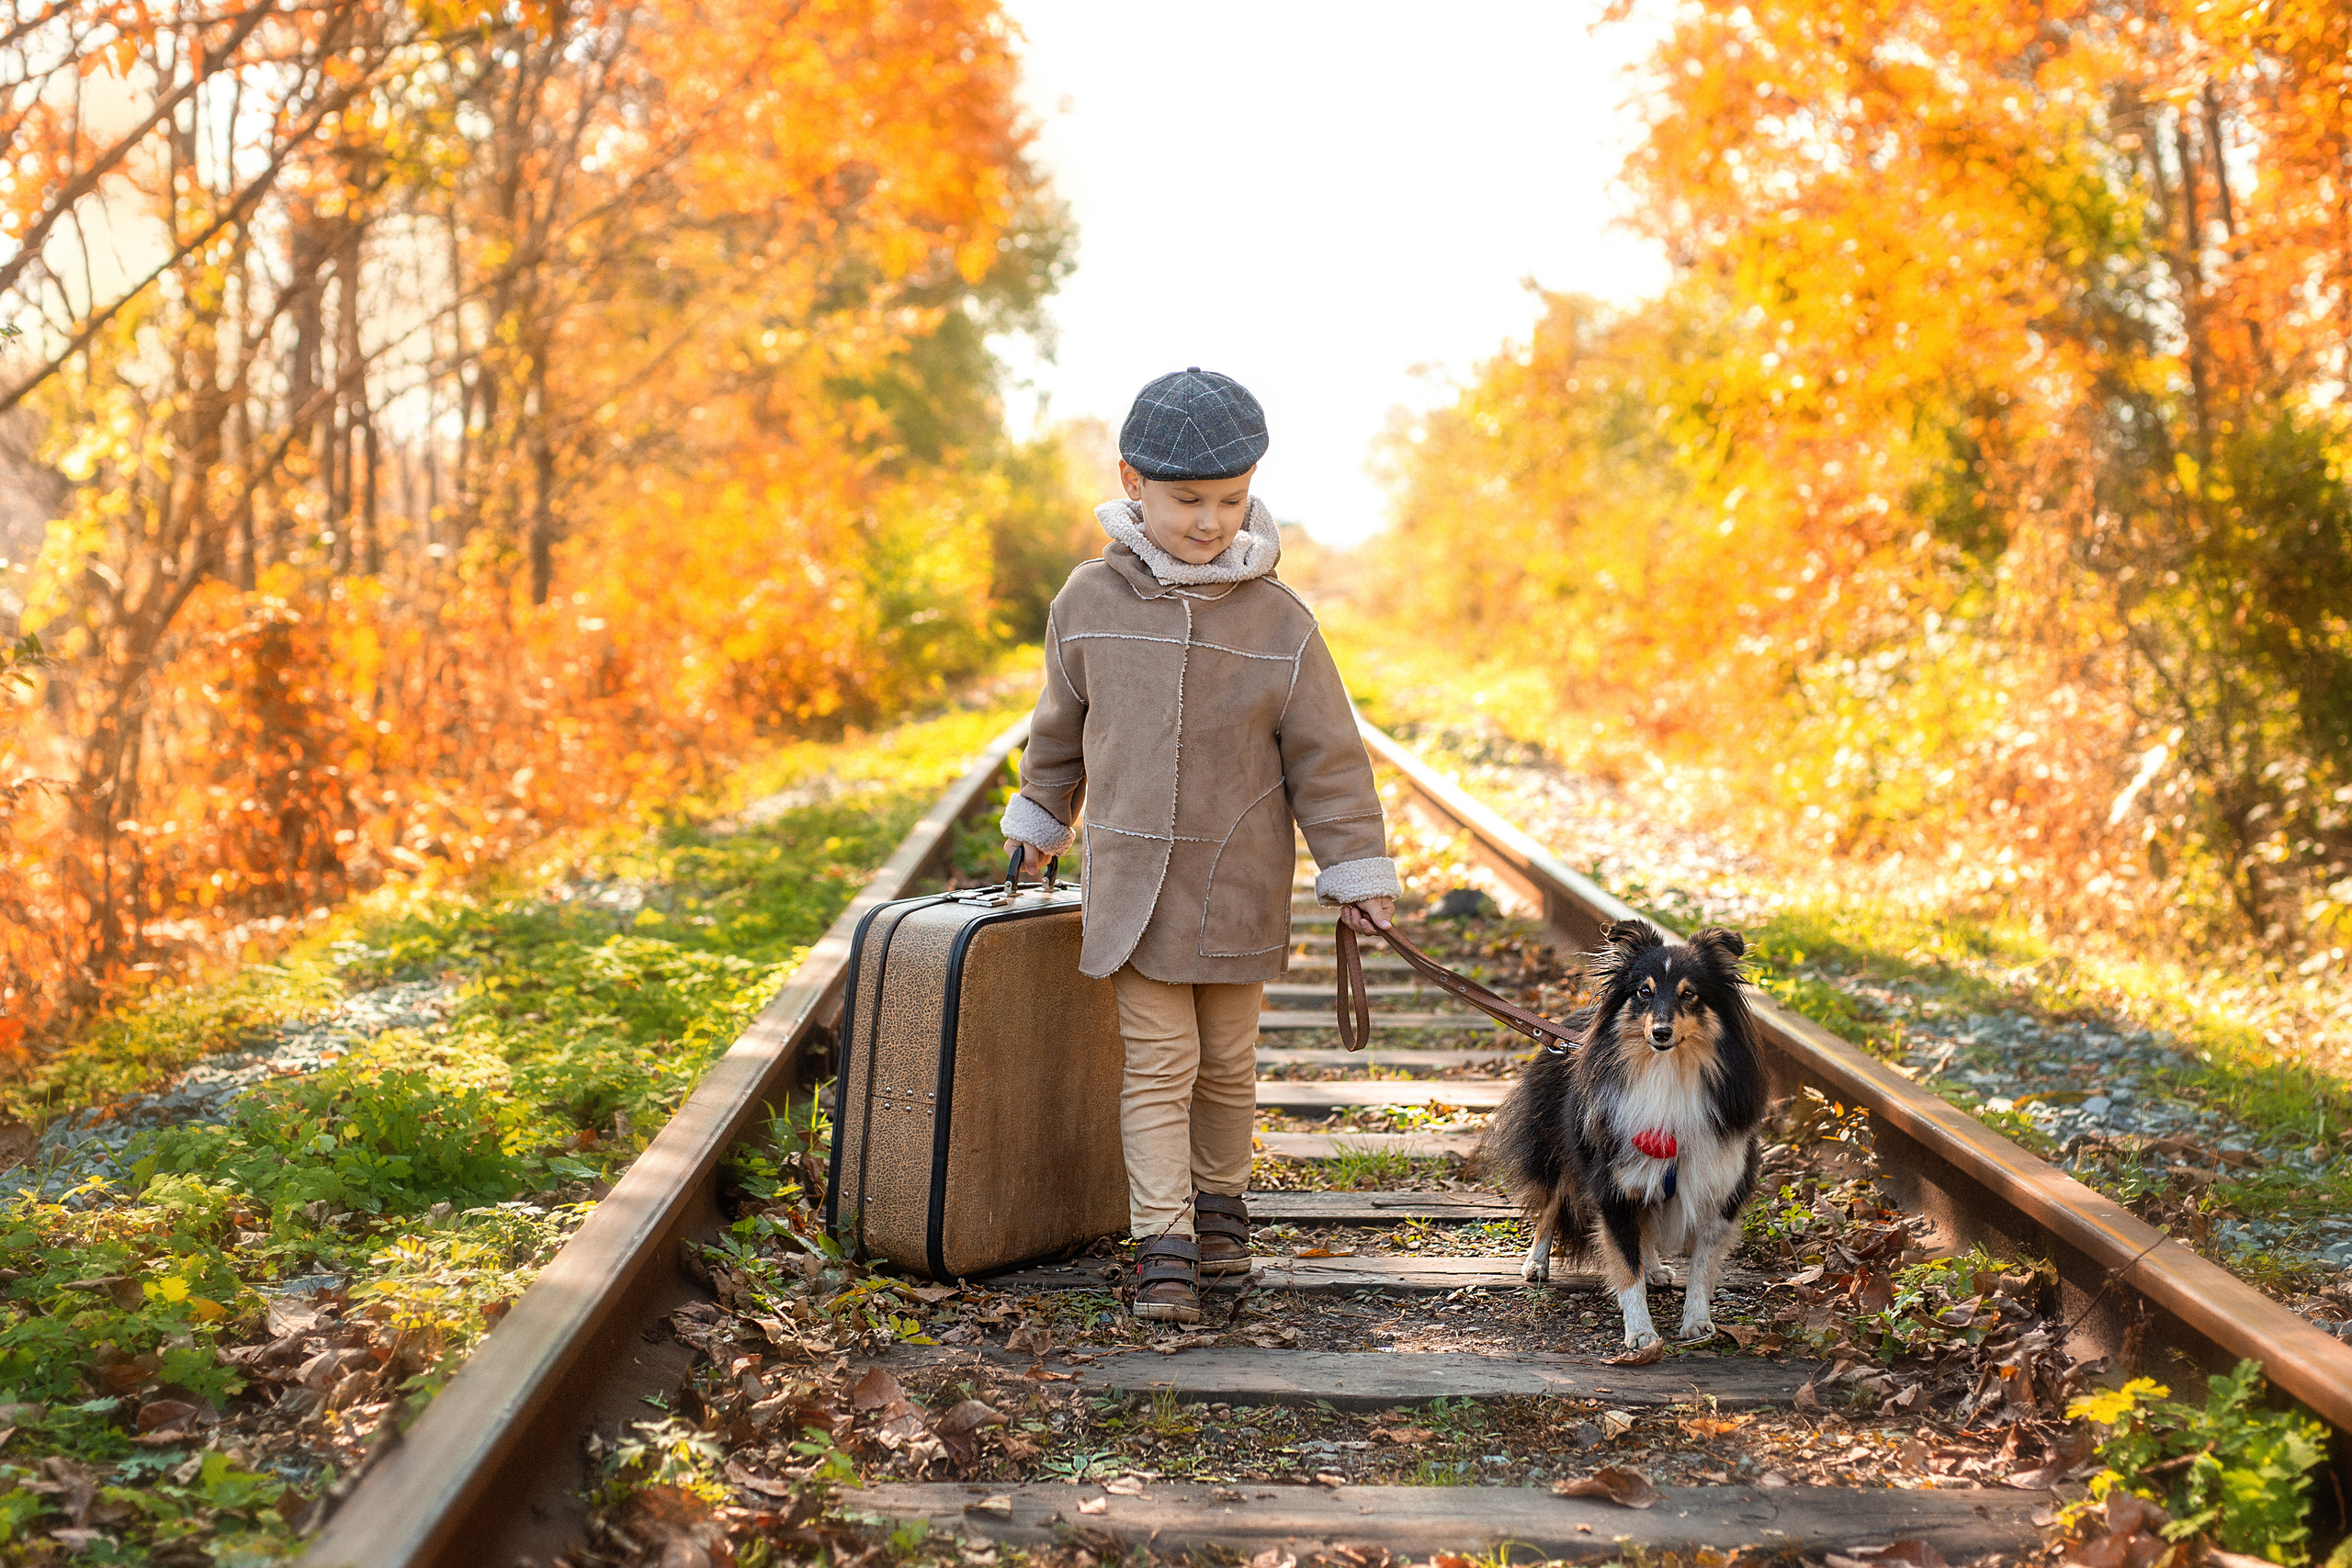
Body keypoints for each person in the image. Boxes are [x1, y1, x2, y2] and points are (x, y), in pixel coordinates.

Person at [1001, 367, 1399, 1324]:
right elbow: (1056, 731)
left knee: (1226, 1061)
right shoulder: (1087, 601)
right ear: (1133, 481)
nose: (1211, 521)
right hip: (1131, 886)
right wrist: (1041, 822)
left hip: (1239, 885)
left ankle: (1220, 1211)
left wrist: (1355, 873)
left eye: (1230, 499)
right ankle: (1163, 1243)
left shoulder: (1280, 621)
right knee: (1157, 1063)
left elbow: (1329, 761)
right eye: (1187, 500)